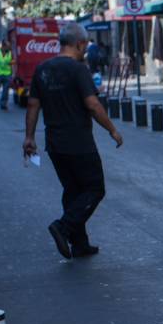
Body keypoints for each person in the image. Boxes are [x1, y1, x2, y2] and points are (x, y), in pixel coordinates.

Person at [23, 23, 123, 260]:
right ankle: (63, 226)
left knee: (73, 189)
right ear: (79, 44)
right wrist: (112, 130)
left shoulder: (42, 69)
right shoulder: (78, 70)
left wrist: (29, 137)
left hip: (55, 144)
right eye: (86, 45)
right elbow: (93, 105)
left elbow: (33, 105)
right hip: (79, 142)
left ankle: (80, 244)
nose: (86, 49)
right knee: (95, 188)